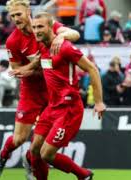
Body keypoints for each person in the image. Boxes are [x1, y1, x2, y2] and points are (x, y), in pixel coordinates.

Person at [0, 0, 80, 179]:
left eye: (19, 14)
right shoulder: (13, 41)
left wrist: (62, 36)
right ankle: (3, 156)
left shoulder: (44, 25)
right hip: (30, 93)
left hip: (52, 93)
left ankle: (31, 161)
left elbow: (75, 34)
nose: (16, 18)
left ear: (28, 11)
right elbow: (18, 72)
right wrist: (36, 64)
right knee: (19, 139)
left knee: (39, 144)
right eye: (13, 16)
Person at [14, 12, 105, 180]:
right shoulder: (42, 46)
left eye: (40, 26)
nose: (36, 30)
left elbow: (92, 68)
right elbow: (40, 63)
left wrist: (99, 102)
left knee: (46, 154)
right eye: (34, 27)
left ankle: (83, 175)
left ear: (51, 27)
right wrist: (25, 70)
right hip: (52, 107)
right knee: (34, 150)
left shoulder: (65, 47)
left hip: (69, 108)